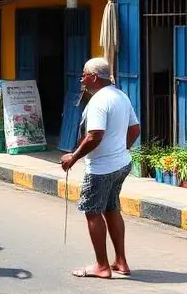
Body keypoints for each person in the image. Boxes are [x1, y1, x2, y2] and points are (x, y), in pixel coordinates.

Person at [60, 57, 140, 280]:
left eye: (84, 74)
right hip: (121, 163)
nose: (81, 79)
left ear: (94, 77)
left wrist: (73, 158)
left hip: (102, 168)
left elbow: (95, 135)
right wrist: (120, 149)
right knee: (112, 208)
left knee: (93, 211)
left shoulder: (98, 101)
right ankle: (121, 261)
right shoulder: (121, 96)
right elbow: (135, 129)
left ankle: (102, 266)